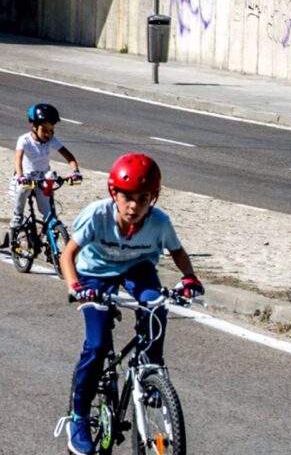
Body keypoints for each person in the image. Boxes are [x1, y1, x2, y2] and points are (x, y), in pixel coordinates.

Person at [60, 153, 202, 455]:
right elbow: (67, 255)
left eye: (143, 198)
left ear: (154, 197)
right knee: (97, 346)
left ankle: (151, 369)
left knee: (155, 304)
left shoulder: (159, 222)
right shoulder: (96, 215)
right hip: (94, 273)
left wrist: (189, 277)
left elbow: (176, 252)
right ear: (114, 193)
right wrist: (76, 286)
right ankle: (79, 417)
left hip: (138, 268)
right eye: (127, 198)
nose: (134, 206)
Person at [8, 103, 82, 246]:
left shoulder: (51, 140)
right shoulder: (24, 140)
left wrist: (76, 172)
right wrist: (21, 176)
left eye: (51, 130)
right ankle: (18, 216)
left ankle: (49, 233)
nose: (48, 134)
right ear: (34, 127)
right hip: (26, 178)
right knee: (23, 191)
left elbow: (69, 156)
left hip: (42, 178)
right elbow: (18, 160)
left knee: (47, 211)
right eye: (44, 130)